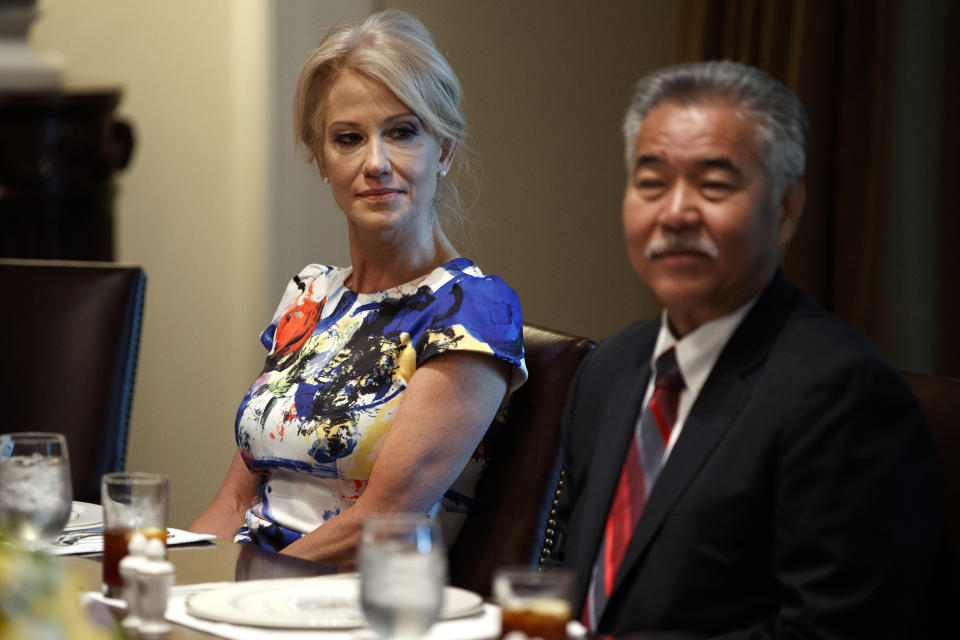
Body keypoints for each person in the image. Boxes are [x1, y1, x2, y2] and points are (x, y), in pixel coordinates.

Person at [555, 60, 944, 638]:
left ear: (786, 207)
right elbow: (573, 576)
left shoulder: (843, 394)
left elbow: (835, 630)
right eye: (652, 182)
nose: (676, 212)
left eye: (714, 184)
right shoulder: (610, 368)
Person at [189, 10, 526, 564]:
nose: (377, 163)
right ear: (322, 160)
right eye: (349, 138)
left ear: (443, 151)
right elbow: (233, 499)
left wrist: (231, 593)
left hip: (350, 604)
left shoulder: (473, 309)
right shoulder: (311, 295)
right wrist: (170, 585)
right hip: (246, 590)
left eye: (402, 132)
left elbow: (384, 522)